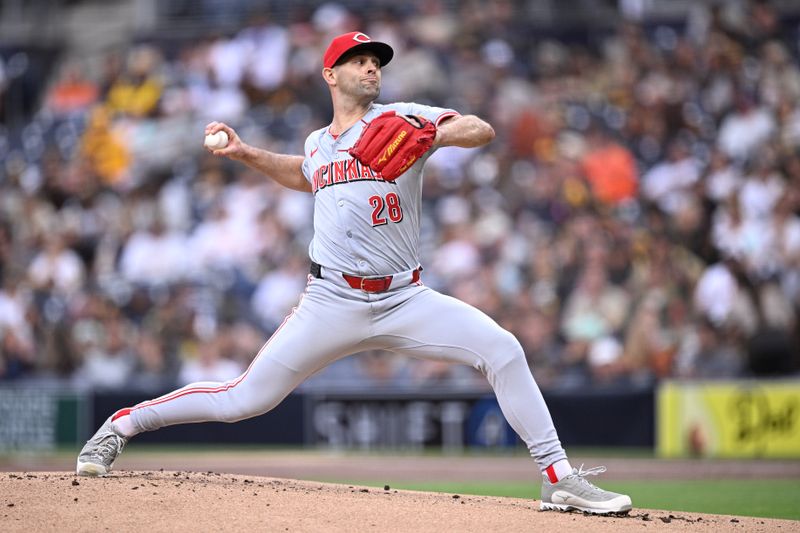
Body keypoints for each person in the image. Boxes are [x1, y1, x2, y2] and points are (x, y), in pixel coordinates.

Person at [76, 31, 632, 515]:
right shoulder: (319, 143)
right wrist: (246, 154)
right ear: (331, 75)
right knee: (243, 400)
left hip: (405, 298)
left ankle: (558, 479)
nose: (372, 67)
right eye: (360, 60)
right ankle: (122, 425)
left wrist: (429, 136)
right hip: (331, 302)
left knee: (504, 348)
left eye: (377, 61)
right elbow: (306, 173)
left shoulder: (402, 118)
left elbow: (480, 129)